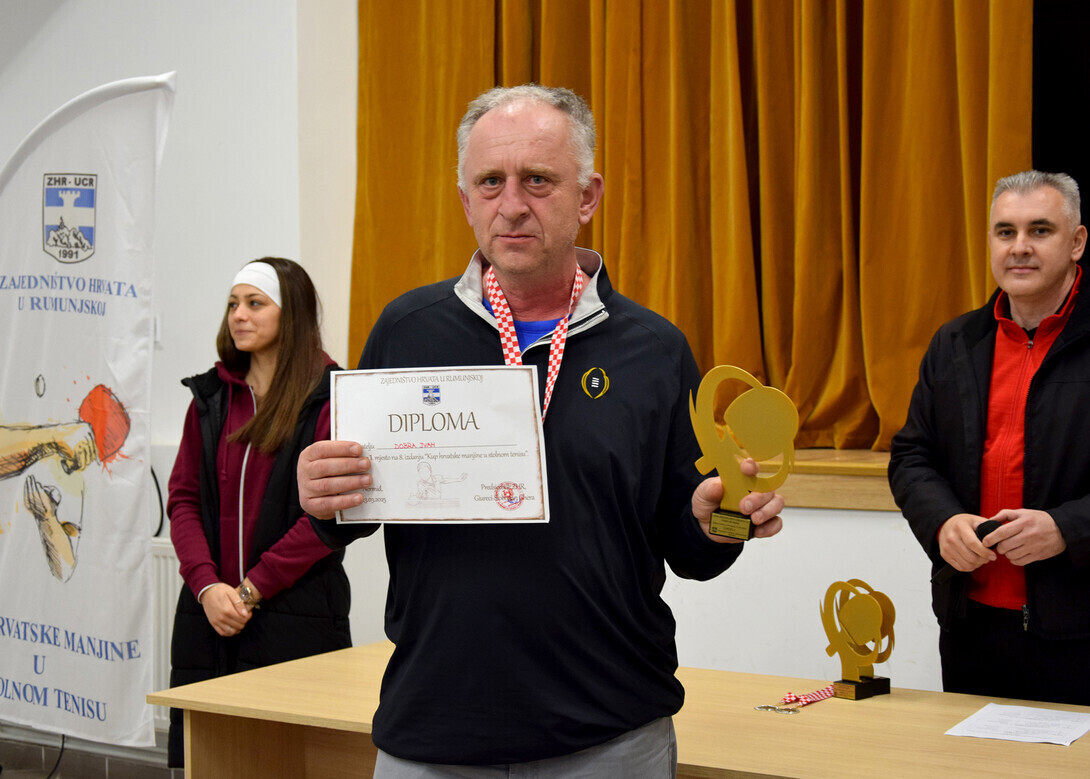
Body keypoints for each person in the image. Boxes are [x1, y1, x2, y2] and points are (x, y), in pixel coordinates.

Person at [298, 85, 784, 775]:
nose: (512, 204)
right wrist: (322, 495)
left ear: (587, 196)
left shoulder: (654, 351)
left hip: (610, 736)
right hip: (434, 729)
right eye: (490, 182)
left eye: (538, 180)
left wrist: (722, 521)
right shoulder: (406, 332)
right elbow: (352, 516)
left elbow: (692, 549)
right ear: (466, 202)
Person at [889, 170, 1090, 705]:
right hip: (971, 628)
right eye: (1005, 232)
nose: (1019, 247)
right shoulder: (955, 342)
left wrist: (1067, 528)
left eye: (1039, 230)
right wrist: (943, 521)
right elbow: (911, 457)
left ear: (1076, 242)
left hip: (1080, 632)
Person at [166, 258, 351, 766]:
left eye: (254, 303)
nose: (238, 316)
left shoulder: (329, 397)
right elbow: (183, 499)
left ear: (291, 313)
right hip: (209, 614)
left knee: (294, 761)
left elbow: (329, 518)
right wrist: (207, 587)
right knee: (216, 759)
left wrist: (251, 589)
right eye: (232, 304)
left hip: (297, 613)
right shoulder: (210, 398)